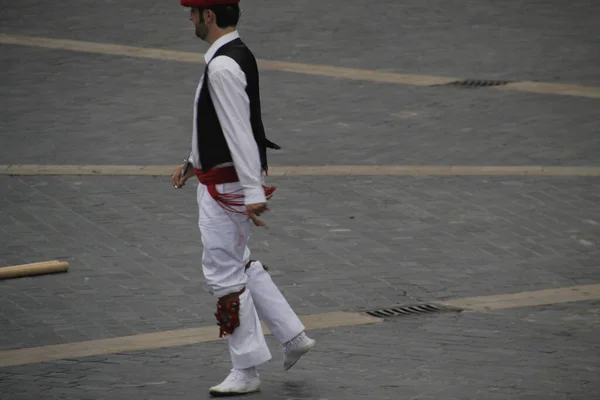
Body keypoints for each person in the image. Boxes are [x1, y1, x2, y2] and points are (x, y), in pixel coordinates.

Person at [172, 0, 316, 396]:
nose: (190, 19)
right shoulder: (233, 53)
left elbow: (239, 132)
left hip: (225, 186)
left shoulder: (222, 65)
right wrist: (192, 161)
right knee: (239, 263)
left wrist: (251, 192)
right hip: (223, 179)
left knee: (223, 273)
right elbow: (218, 122)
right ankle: (292, 336)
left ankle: (246, 369)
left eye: (193, 12)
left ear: (209, 16)